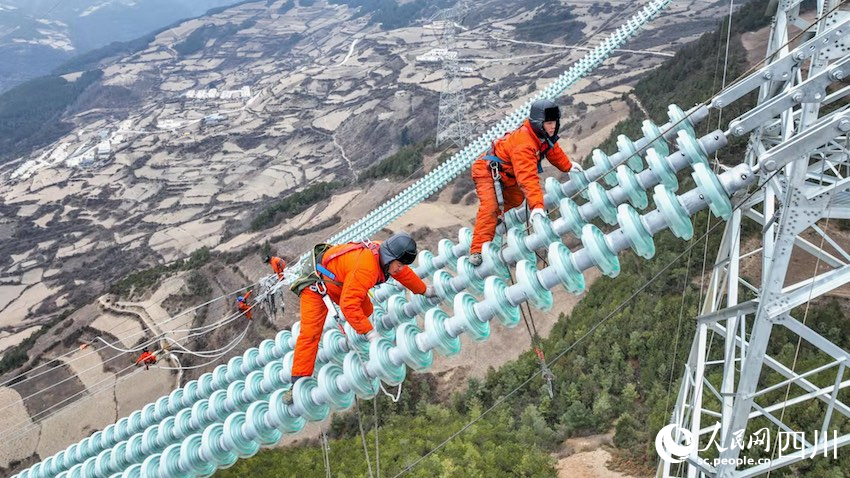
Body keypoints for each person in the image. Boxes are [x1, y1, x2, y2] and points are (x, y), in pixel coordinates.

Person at [288, 232, 437, 384]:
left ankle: (362, 341)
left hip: (339, 279)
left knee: (366, 309)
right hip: (316, 284)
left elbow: (405, 274)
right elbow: (348, 306)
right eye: (399, 265)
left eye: (402, 265)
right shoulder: (367, 268)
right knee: (310, 334)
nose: (400, 269)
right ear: (390, 259)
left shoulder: (384, 253)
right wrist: (370, 334)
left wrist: (425, 291)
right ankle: (298, 381)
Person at [468, 99, 578, 266]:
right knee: (490, 206)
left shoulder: (541, 136)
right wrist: (537, 207)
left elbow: (553, 151)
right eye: (549, 123)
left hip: (506, 174)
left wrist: (568, 167)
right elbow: (527, 177)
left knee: (517, 199)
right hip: (487, 171)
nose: (553, 126)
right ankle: (477, 249)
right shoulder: (524, 144)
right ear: (538, 123)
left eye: (554, 122)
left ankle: (495, 217)